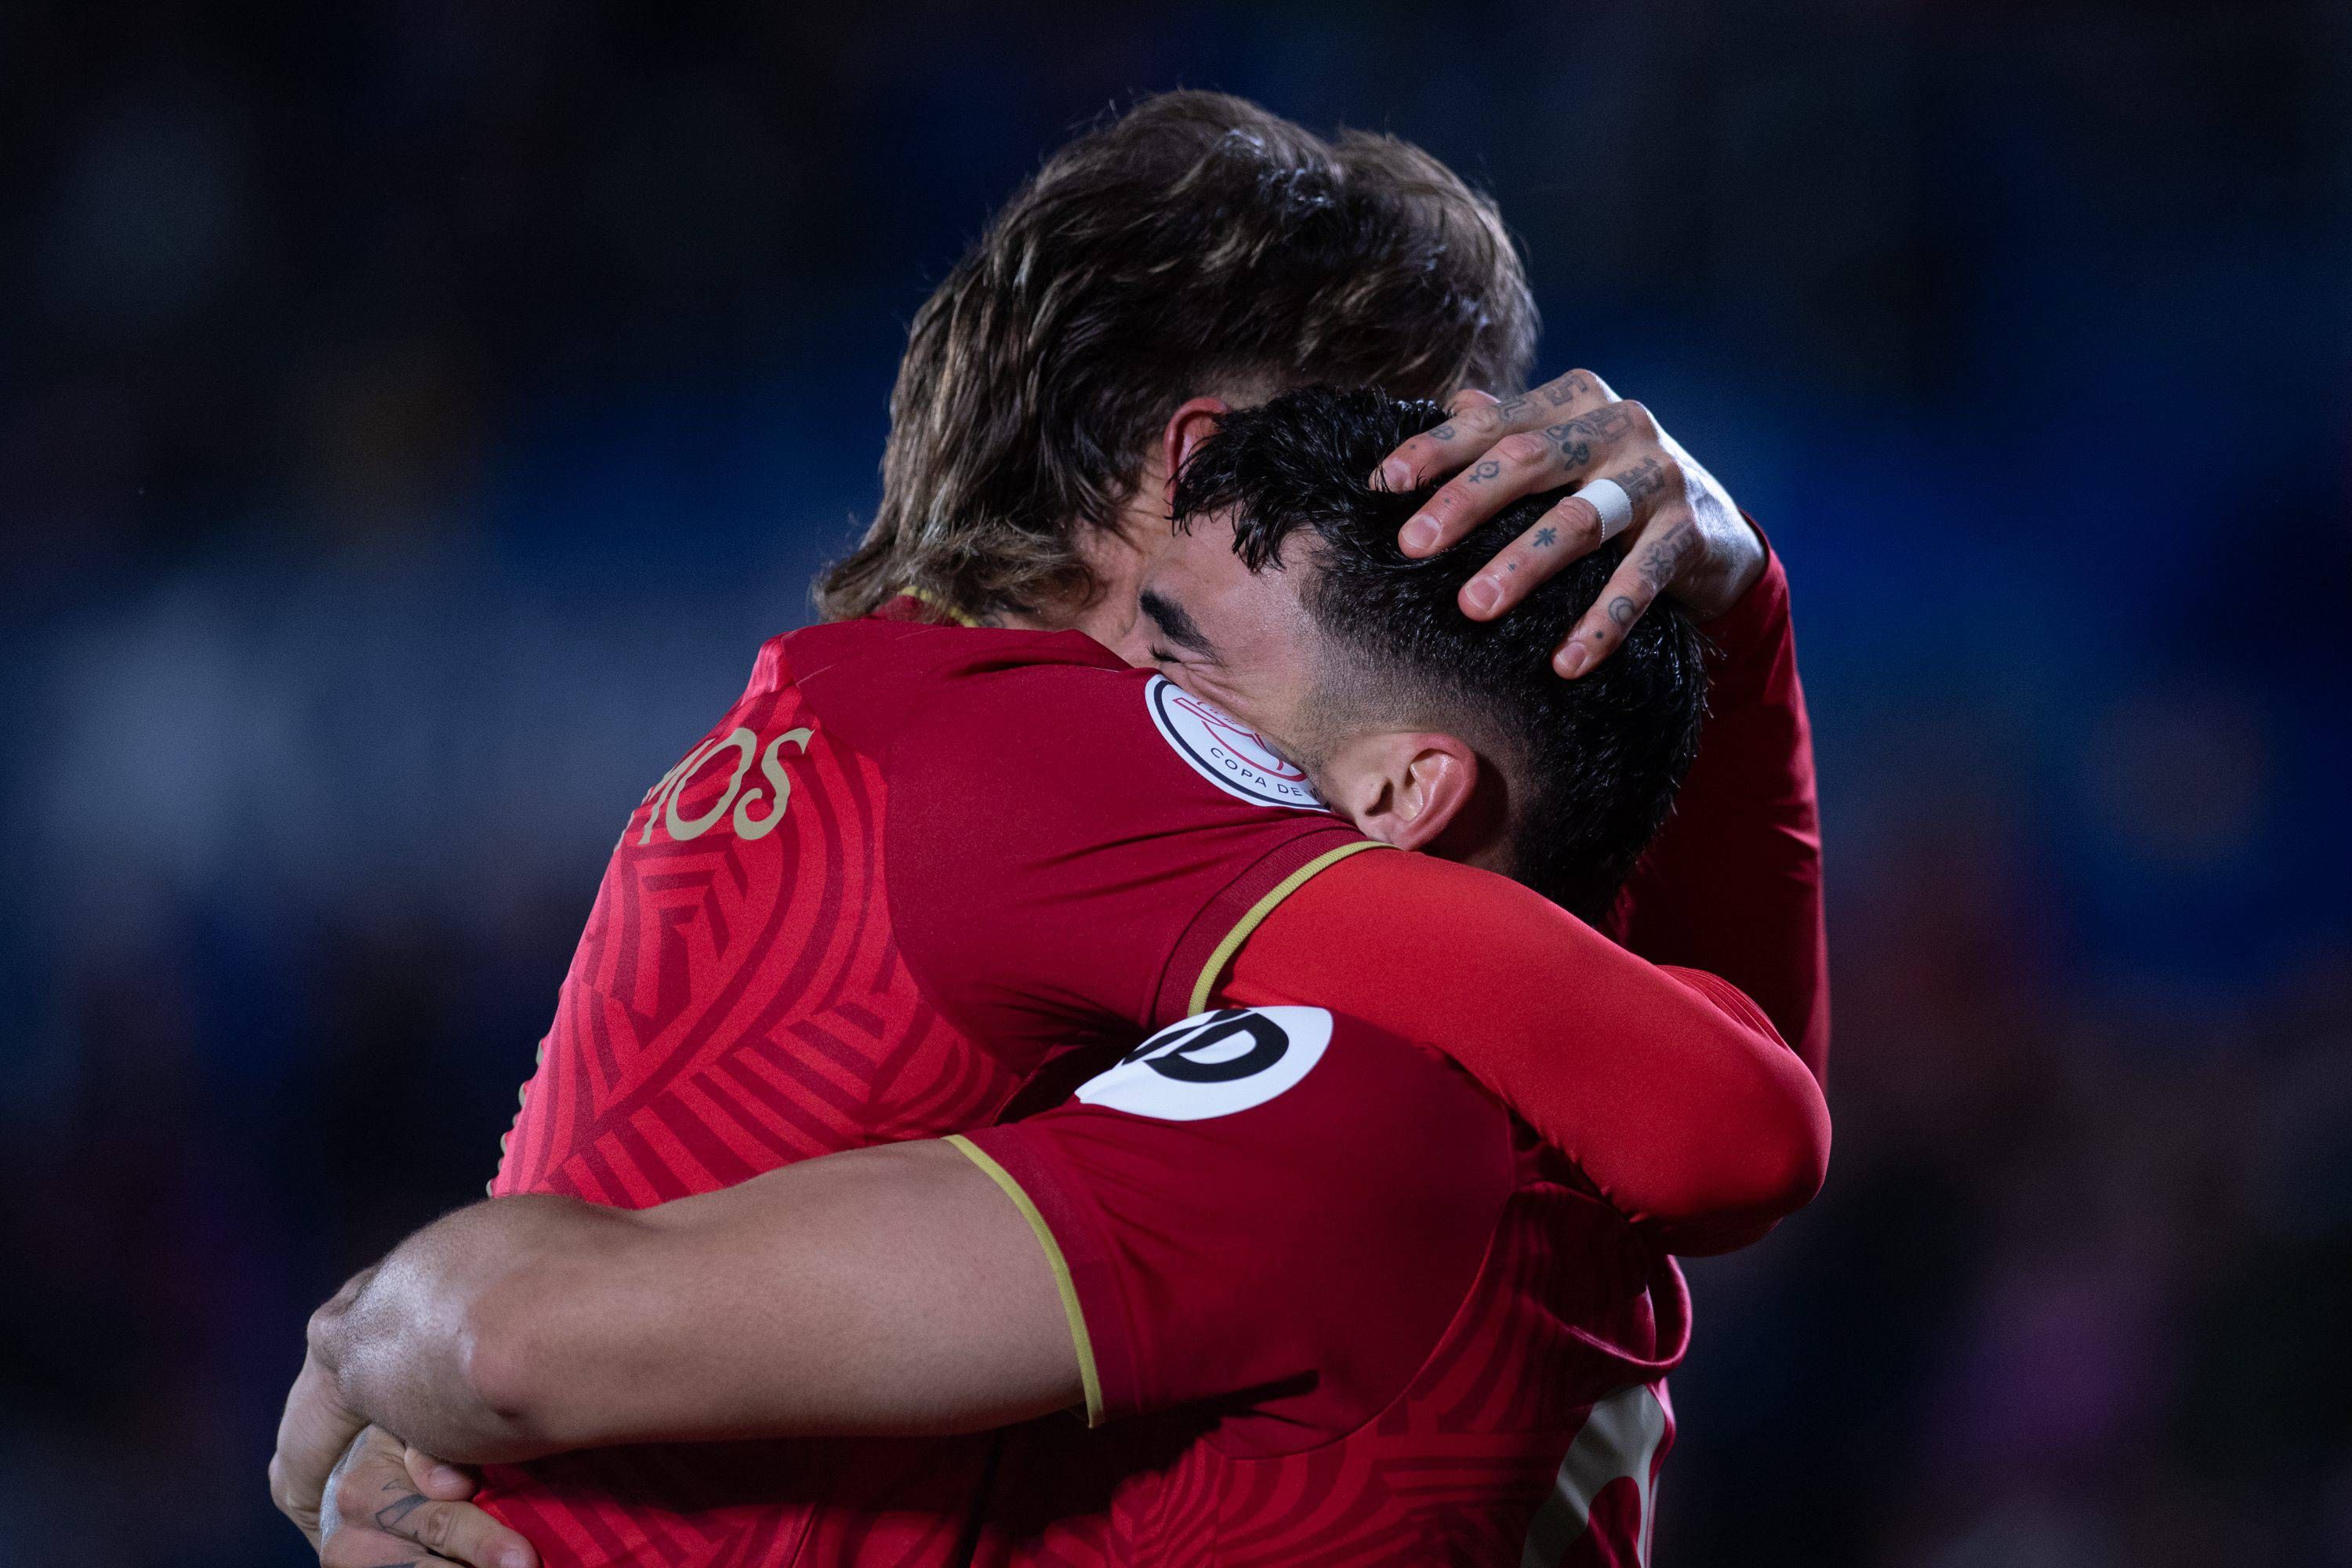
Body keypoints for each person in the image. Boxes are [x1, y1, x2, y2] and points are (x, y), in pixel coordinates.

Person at [274, 94, 1827, 1567]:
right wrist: (1743, 617)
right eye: (1415, 452)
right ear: (1200, 459)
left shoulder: (849, 727)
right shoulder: (1104, 773)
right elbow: (1728, 1121)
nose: (1492, 497)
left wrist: (375, 1355)